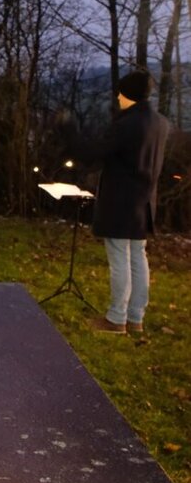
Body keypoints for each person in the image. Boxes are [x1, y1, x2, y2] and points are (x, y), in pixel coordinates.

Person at [66, 69, 169, 334]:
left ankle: (116, 318)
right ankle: (136, 318)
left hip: (121, 202)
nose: (118, 98)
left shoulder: (127, 124)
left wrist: (69, 131)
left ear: (129, 94)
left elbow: (93, 153)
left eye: (121, 94)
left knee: (120, 259)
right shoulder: (160, 123)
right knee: (138, 258)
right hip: (145, 202)